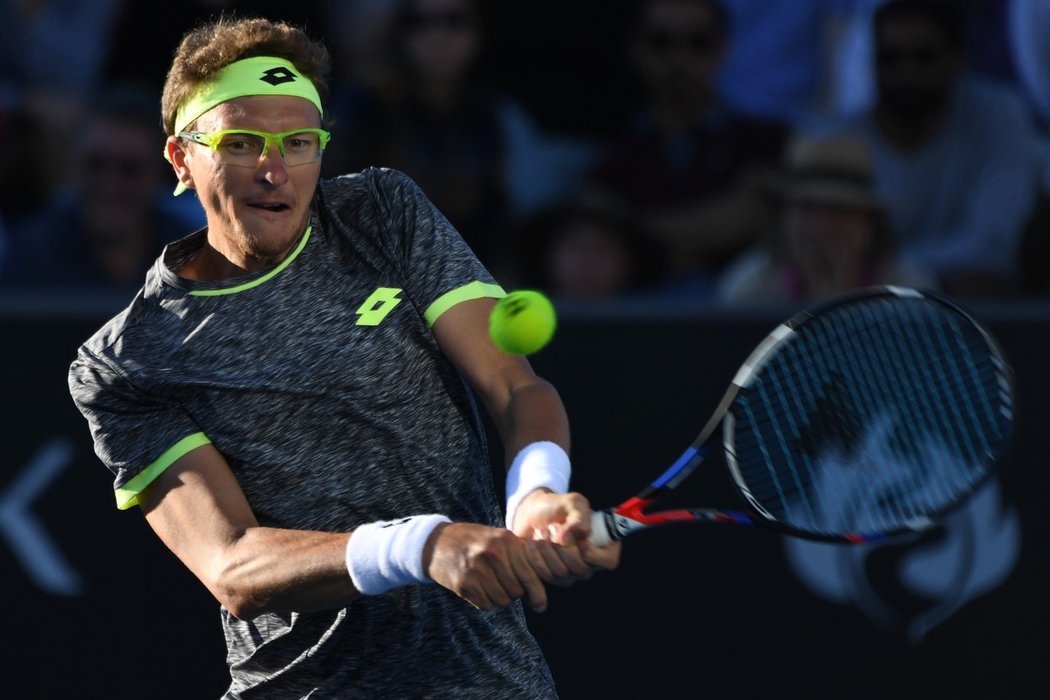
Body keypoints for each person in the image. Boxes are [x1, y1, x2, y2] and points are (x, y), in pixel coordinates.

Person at [67, 16, 619, 698]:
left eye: (299, 142)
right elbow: (233, 566)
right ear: (182, 159)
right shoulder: (126, 363)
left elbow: (515, 389)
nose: (275, 170)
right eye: (242, 144)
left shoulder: (384, 212)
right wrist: (421, 545)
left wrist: (534, 491)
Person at [826, 0, 1043, 296]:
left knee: (975, 282)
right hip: (864, 312)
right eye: (891, 58)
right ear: (873, 64)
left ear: (957, 60)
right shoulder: (841, 141)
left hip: (965, 312)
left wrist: (888, 271)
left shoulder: (1000, 117)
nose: (907, 72)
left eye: (924, 57)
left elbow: (994, 246)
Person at [585, 0, 787, 294]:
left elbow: (754, 218)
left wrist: (634, 230)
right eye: (661, 42)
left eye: (698, 42)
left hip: (741, 315)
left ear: (722, 49)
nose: (679, 59)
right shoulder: (610, 145)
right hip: (635, 314)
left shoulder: (763, 140)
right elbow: (600, 233)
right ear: (636, 50)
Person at [1, 83, 199, 294]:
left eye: (129, 169)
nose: (109, 186)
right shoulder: (29, 258)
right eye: (96, 164)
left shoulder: (194, 257)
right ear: (73, 166)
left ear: (161, 174)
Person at [717, 134, 933, 305]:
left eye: (839, 211)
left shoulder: (909, 292)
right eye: (808, 210)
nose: (821, 227)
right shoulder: (751, 289)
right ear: (785, 219)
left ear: (870, 224)